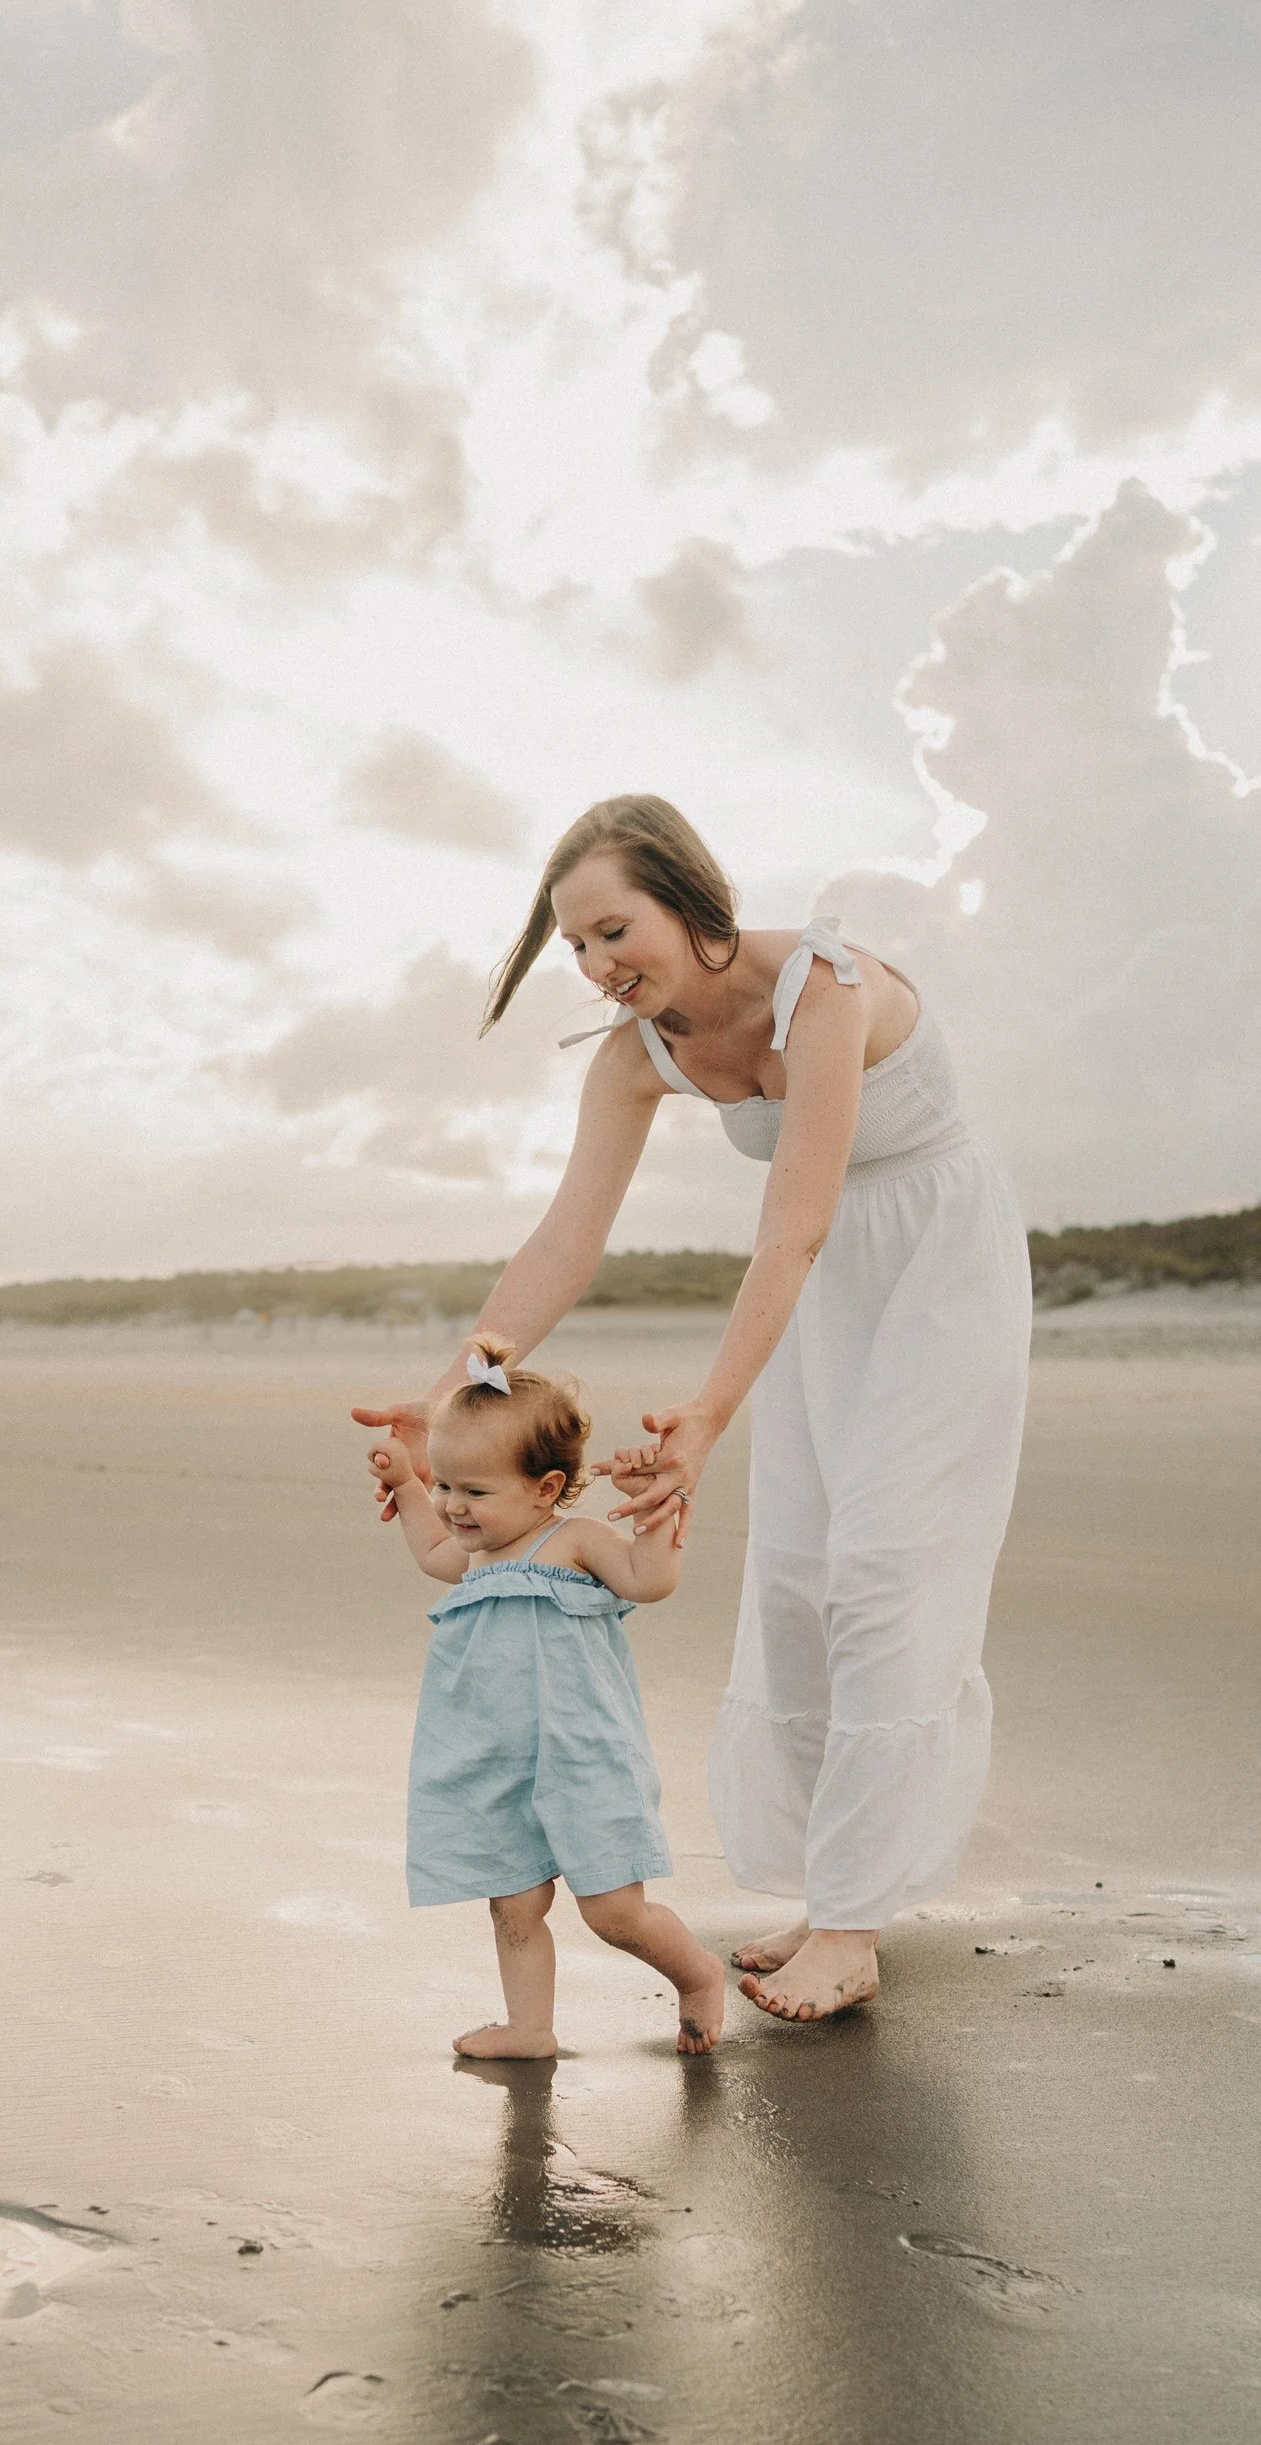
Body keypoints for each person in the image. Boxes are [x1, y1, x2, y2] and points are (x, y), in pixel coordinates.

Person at [354, 795, 1033, 2027]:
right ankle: (833, 1891)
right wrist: (454, 1390)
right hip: (821, 1295)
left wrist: (710, 1411)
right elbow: (565, 1240)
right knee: (799, 1578)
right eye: (574, 945)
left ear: (686, 897)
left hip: (935, 1268)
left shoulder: (823, 988)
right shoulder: (634, 1055)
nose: (596, 964)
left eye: (613, 930)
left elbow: (793, 1222)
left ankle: (852, 1927)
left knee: (885, 1573)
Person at [369, 1332, 726, 2060]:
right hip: (495, 1758)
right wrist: (406, 1484)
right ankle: (530, 2027)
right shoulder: (474, 1554)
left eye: (474, 1492)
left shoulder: (574, 1541)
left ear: (545, 1487)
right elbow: (431, 1551)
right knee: (513, 1902)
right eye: (445, 1486)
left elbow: (649, 1581)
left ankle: (697, 1976)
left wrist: (655, 1512)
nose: (453, 1506)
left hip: (584, 1753)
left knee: (614, 1912)